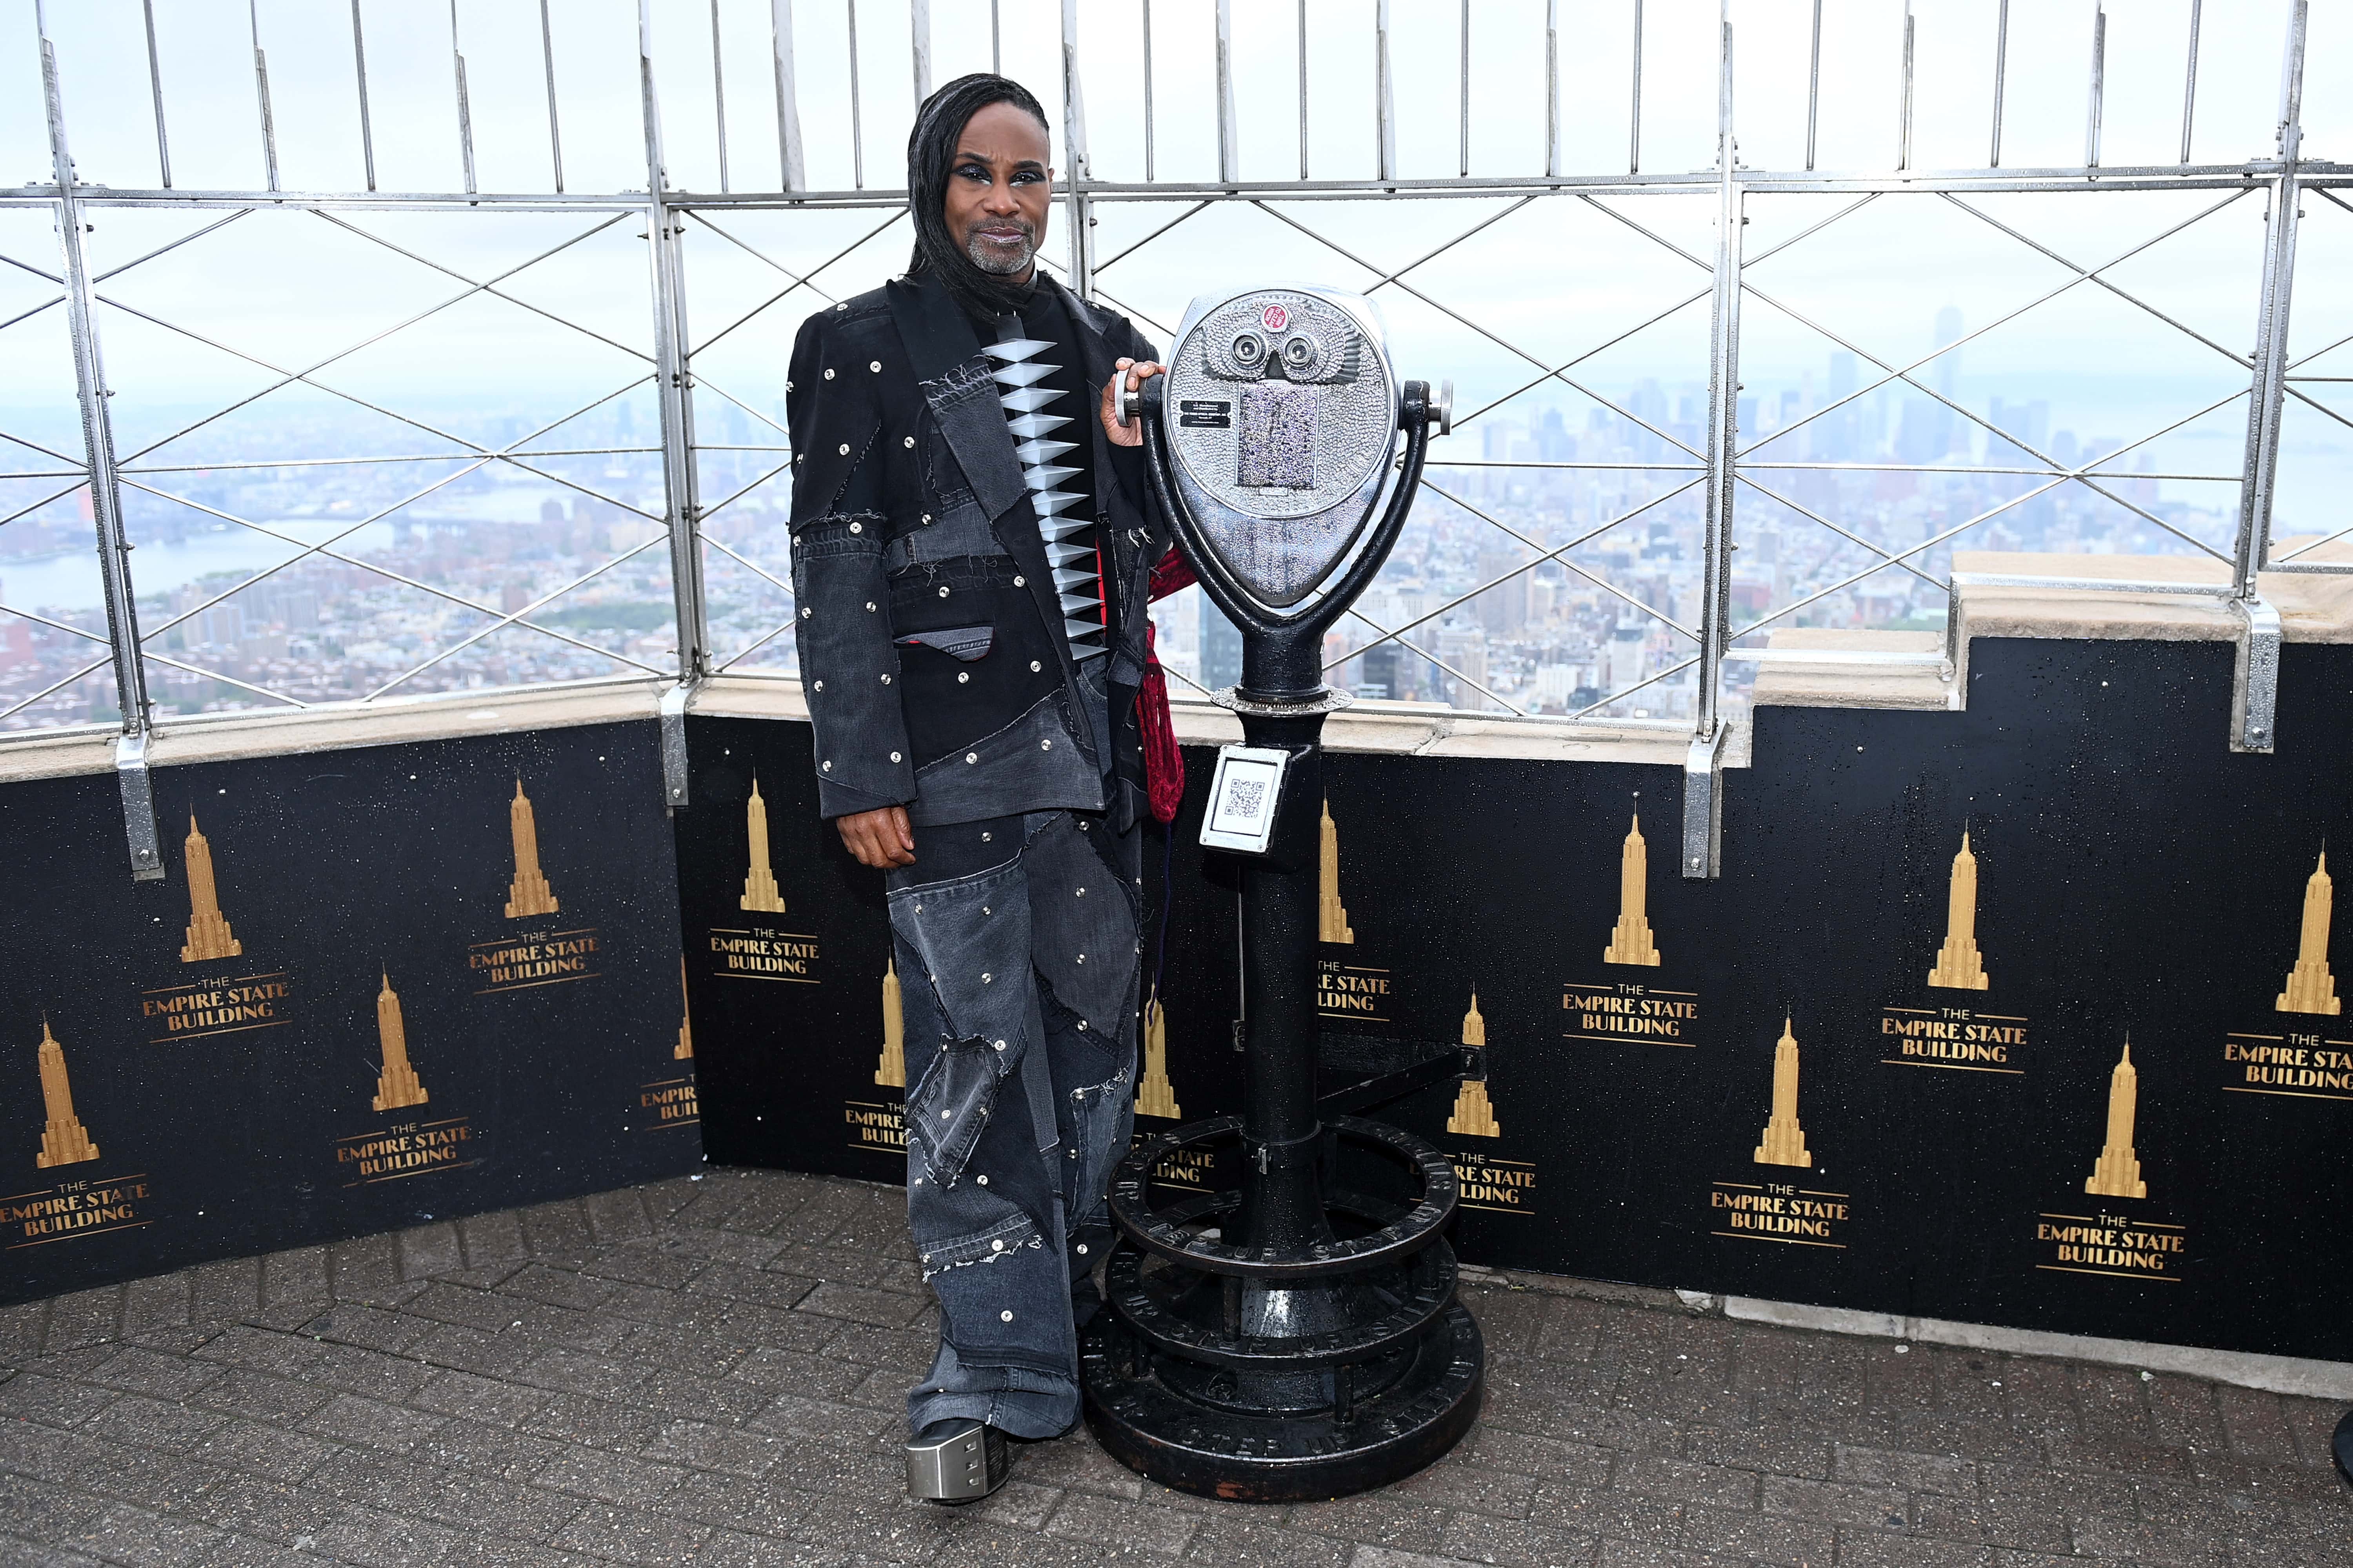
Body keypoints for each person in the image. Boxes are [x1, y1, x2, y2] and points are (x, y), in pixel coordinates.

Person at [784, 73, 1182, 1503]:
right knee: (972, 1067)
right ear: (931, 183)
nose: (1007, 203)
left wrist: (1138, 456)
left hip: (1089, 766)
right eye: (978, 174)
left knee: (1094, 1047)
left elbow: (1149, 555)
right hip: (946, 779)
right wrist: (858, 772)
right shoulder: (857, 347)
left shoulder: (1108, 345)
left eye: (1029, 177)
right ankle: (996, 1362)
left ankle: (1068, 1321)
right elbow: (833, 565)